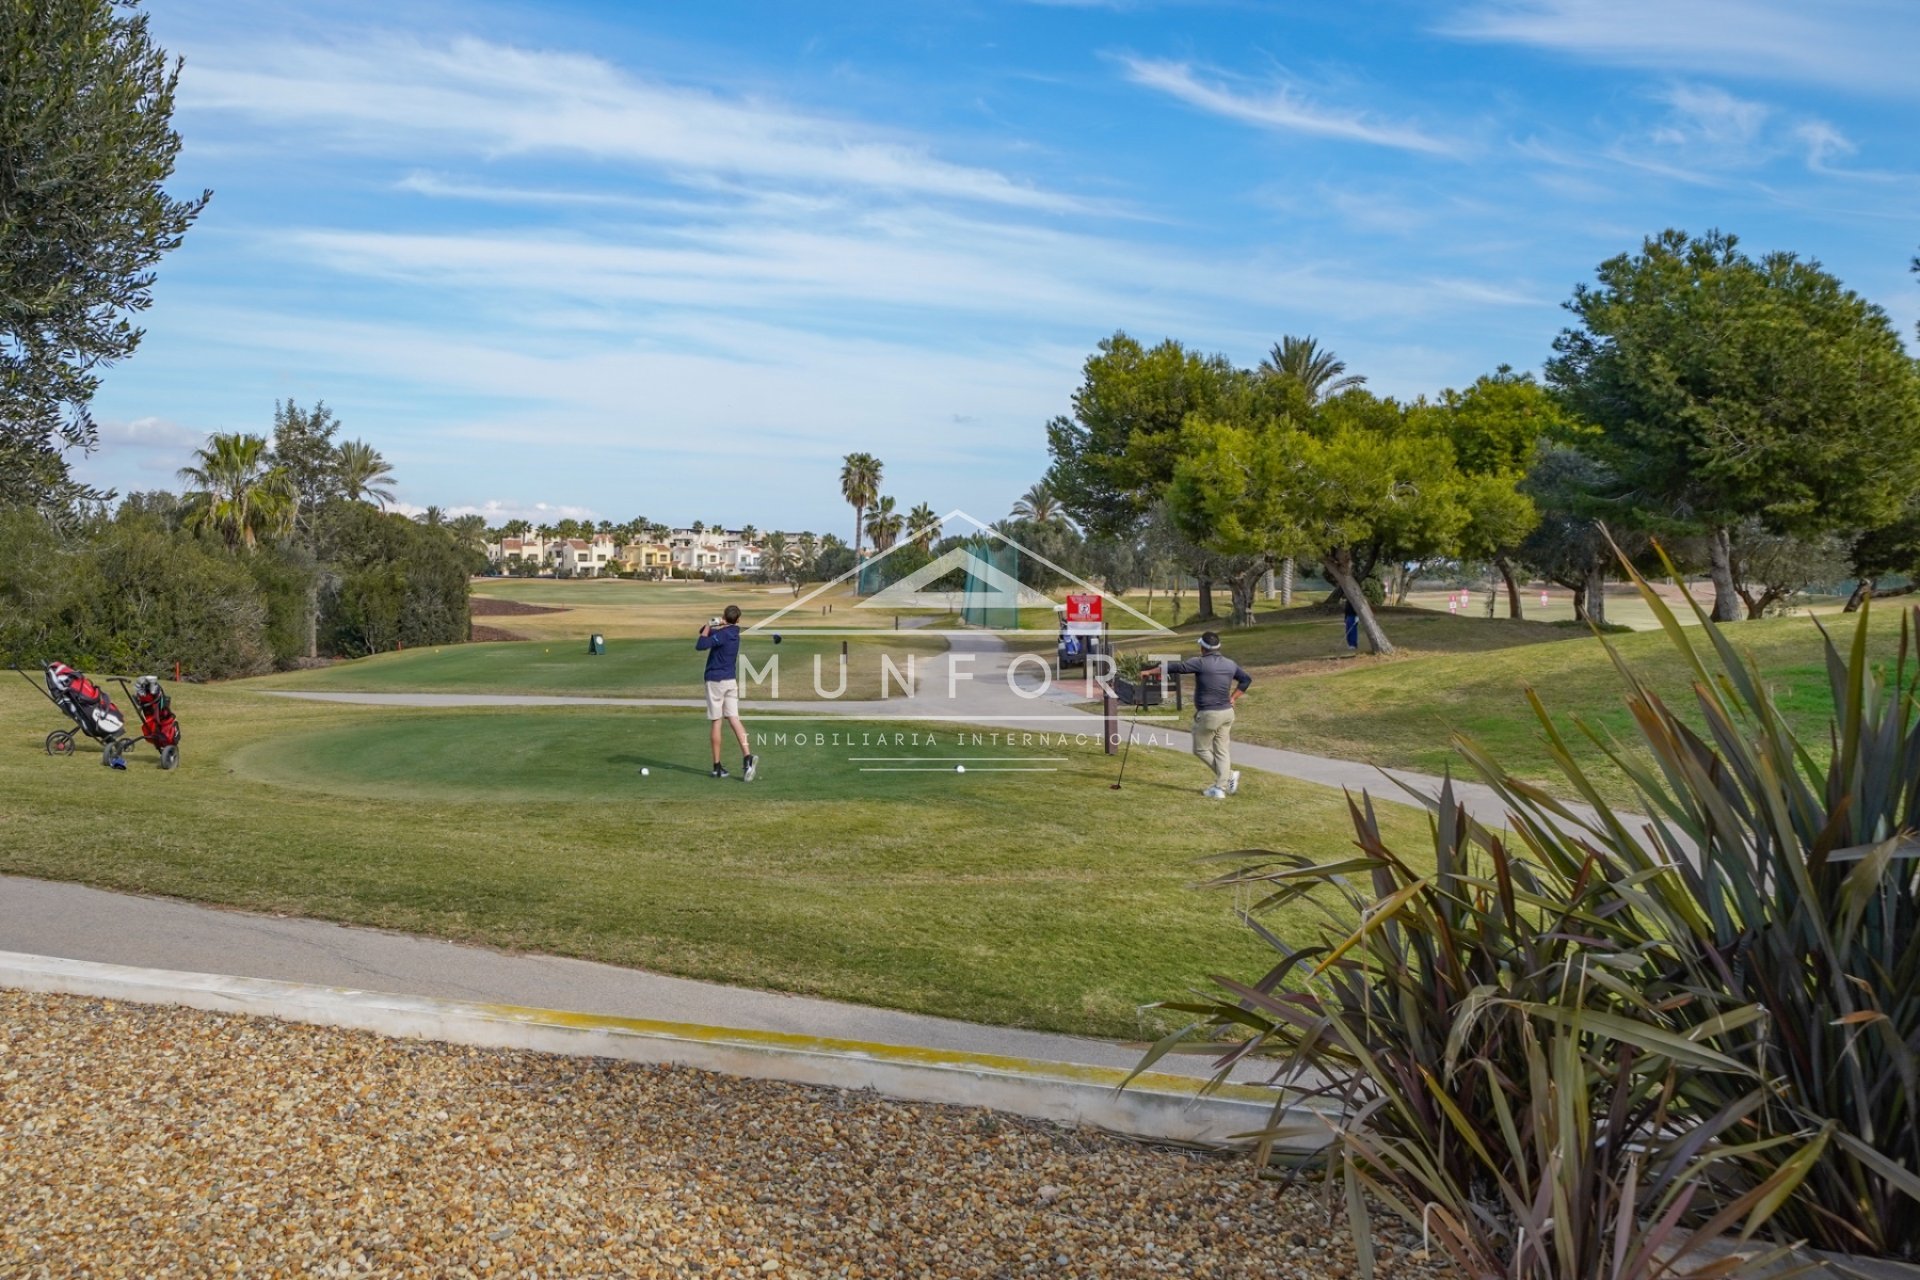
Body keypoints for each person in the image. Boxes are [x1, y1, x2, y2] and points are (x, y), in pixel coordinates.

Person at [1140, 631, 1251, 799]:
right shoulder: (1230, 664)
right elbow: (1246, 680)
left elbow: (1174, 667)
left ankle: (1226, 779)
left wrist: (1150, 672)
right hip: (1227, 713)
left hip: (1209, 714)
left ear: (1202, 647)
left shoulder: (1200, 662)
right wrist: (1233, 698)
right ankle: (1222, 785)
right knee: (1221, 750)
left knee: (1200, 749)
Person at [696, 604, 756, 780]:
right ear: (738, 619)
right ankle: (747, 757)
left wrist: (710, 624)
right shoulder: (734, 633)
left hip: (715, 681)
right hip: (730, 681)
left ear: (725, 616)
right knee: (734, 719)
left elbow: (700, 643)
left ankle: (717, 767)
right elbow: (707, 633)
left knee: (716, 721)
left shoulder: (720, 634)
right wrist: (718, 624)